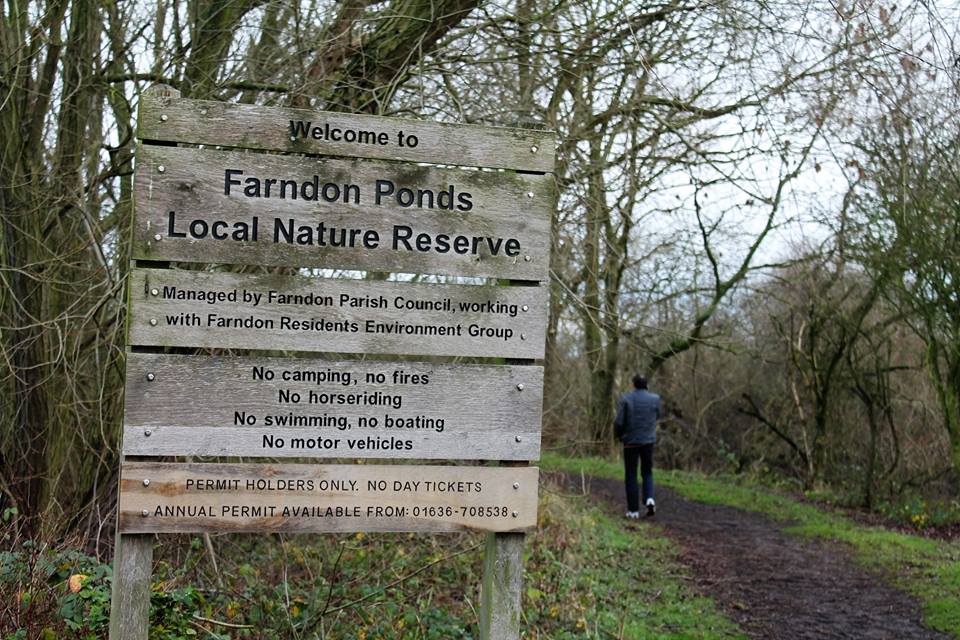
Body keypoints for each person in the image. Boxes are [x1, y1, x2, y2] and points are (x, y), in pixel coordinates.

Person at [614, 374, 661, 518]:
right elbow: (658, 415)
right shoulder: (655, 399)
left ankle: (633, 511)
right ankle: (649, 498)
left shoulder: (626, 398)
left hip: (630, 441)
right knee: (647, 471)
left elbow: (619, 422)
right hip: (648, 441)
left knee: (631, 474)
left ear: (633, 384)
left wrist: (619, 436)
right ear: (647, 385)